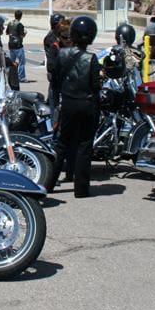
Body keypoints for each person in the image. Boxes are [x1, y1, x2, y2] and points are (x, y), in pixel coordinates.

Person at [48, 16, 101, 198]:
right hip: (87, 104)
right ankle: (81, 189)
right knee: (84, 146)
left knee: (61, 143)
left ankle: (48, 184)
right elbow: (96, 87)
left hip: (68, 103)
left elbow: (55, 80)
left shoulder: (62, 54)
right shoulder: (92, 59)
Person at [43, 13, 68, 106]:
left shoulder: (57, 36)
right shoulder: (51, 38)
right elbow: (54, 56)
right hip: (55, 71)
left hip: (59, 71)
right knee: (54, 95)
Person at [6, 9, 28, 83]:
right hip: (18, 45)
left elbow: (7, 32)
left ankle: (11, 76)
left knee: (12, 62)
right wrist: (25, 33)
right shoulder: (20, 25)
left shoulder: (10, 23)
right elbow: (21, 36)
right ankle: (21, 78)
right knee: (22, 62)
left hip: (11, 44)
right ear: (21, 16)